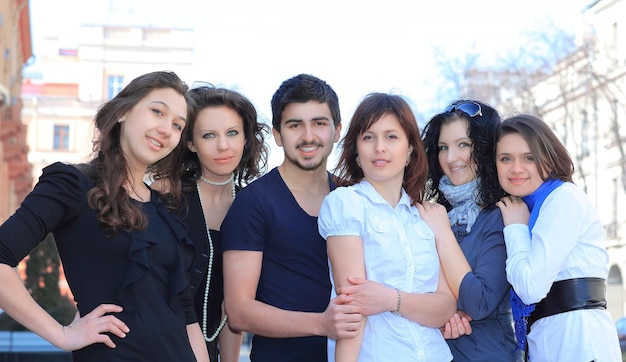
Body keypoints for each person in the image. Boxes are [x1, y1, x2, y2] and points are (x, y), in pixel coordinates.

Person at [0, 71, 210, 362]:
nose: (166, 129)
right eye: (157, 112)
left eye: (177, 125)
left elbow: (186, 315)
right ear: (123, 111)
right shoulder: (72, 184)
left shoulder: (168, 210)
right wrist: (62, 334)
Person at [221, 73, 362, 362]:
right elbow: (238, 312)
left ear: (337, 131)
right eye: (295, 125)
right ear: (277, 134)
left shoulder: (354, 198)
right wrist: (321, 323)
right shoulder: (253, 203)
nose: (308, 136)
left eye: (319, 124)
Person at [318, 92, 457, 361]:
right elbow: (351, 311)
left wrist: (392, 299)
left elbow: (445, 306)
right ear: (357, 151)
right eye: (368, 137)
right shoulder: (346, 204)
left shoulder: (423, 216)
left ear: (409, 151)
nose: (379, 147)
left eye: (391, 137)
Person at [151, 84, 269, 362]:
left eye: (232, 133)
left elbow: (234, 309)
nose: (223, 146)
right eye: (208, 135)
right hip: (156, 348)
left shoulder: (252, 205)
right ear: (190, 143)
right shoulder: (165, 195)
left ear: (245, 139)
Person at [495, 114, 621, 362]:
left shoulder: (562, 199)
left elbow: (530, 288)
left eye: (529, 158)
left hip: (578, 344)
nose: (516, 168)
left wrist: (516, 228)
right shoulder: (528, 207)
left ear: (548, 159)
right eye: (505, 158)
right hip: (553, 342)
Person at [421, 100, 521, 361]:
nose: (451, 158)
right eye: (443, 147)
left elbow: (479, 302)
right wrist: (440, 314)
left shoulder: (503, 214)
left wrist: (442, 233)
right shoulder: (435, 215)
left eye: (463, 145)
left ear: (486, 149)